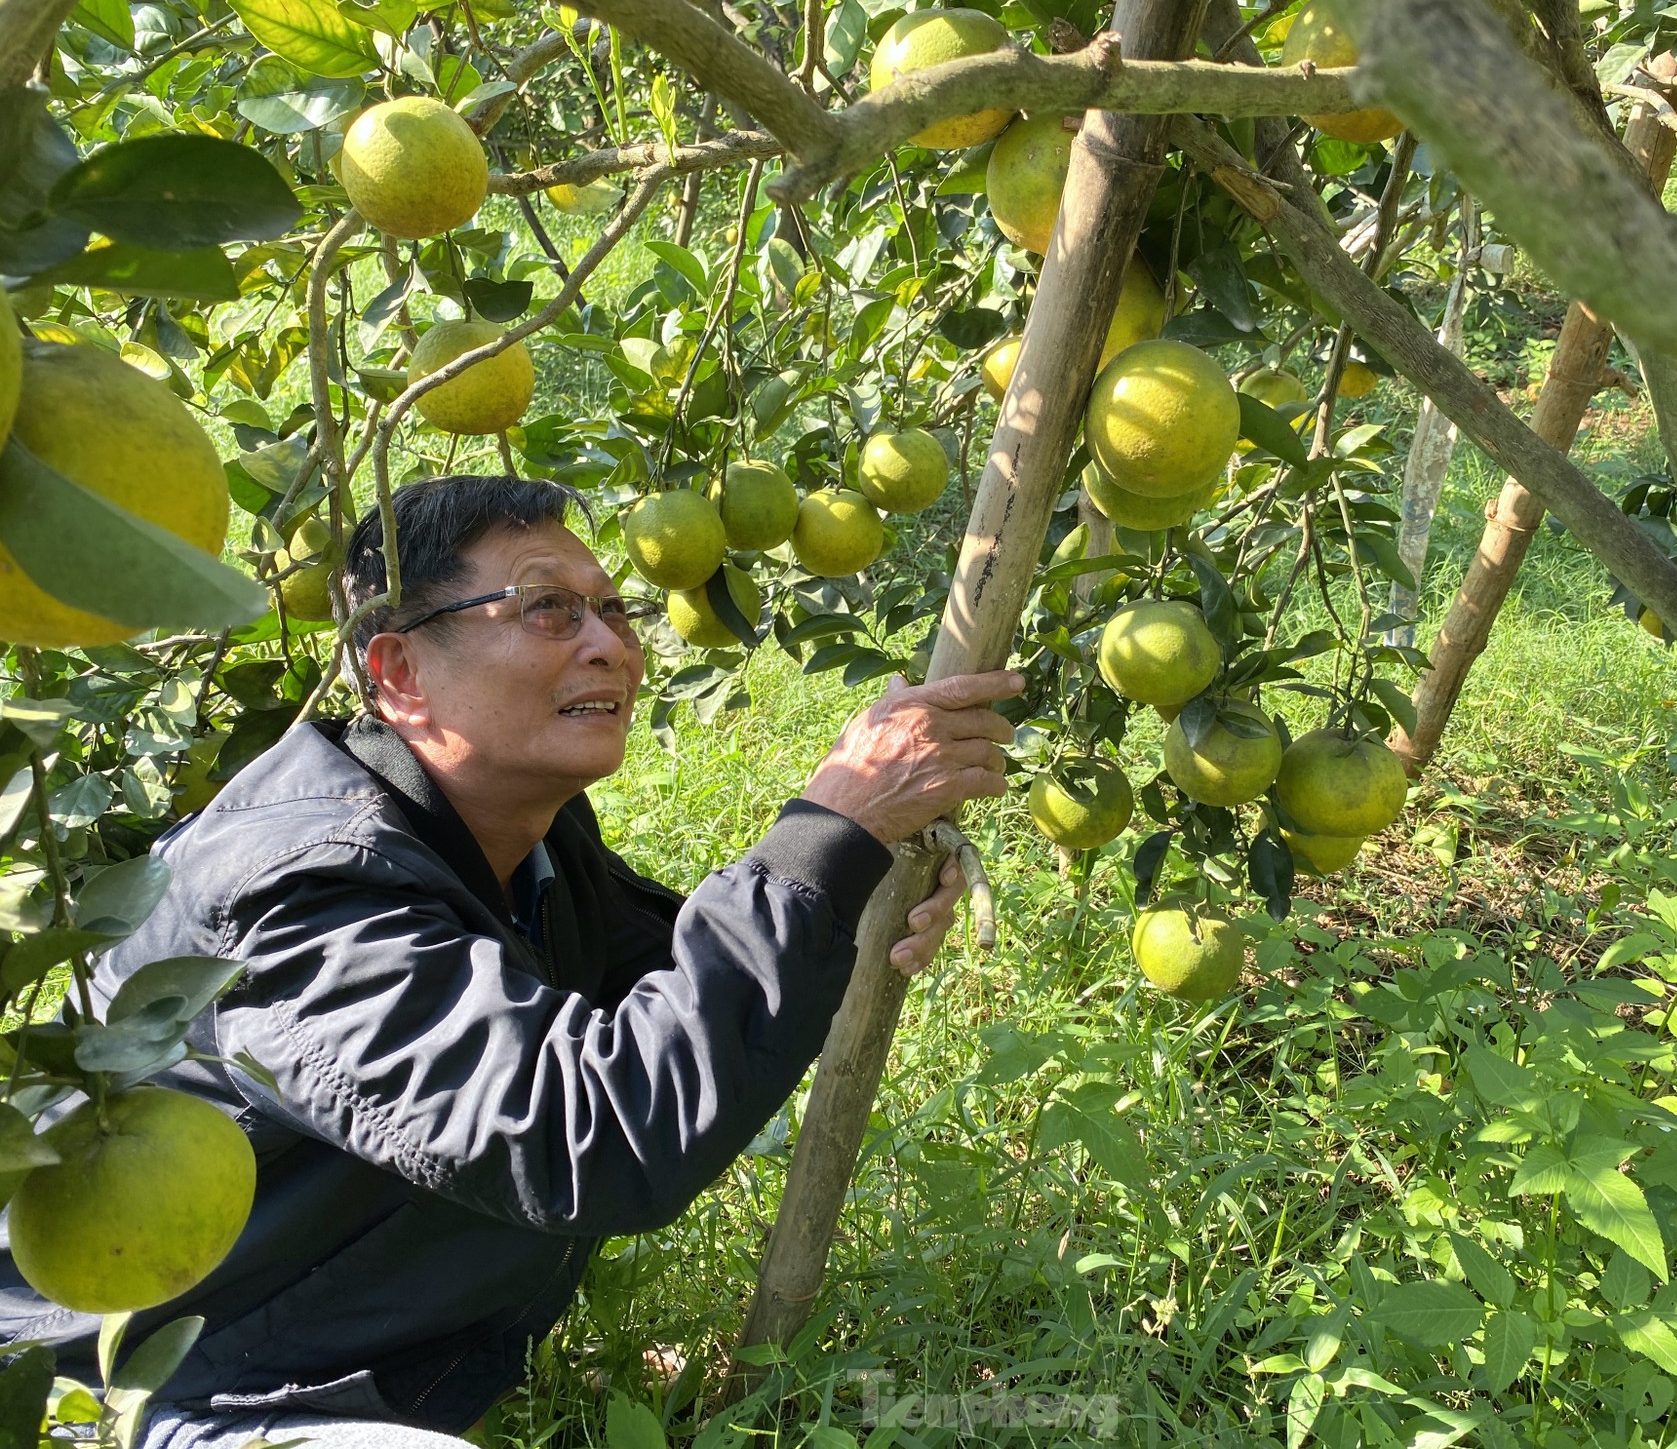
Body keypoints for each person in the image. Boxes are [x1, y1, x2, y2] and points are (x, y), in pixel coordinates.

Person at [0, 476, 1020, 1449]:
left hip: (302, 1362)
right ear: (397, 672)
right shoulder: (302, 894)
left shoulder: (518, 835)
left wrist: (837, 887)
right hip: (126, 1395)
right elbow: (599, 1133)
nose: (608, 646)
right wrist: (821, 837)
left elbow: (663, 1003)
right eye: (545, 608)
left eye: (614, 611)